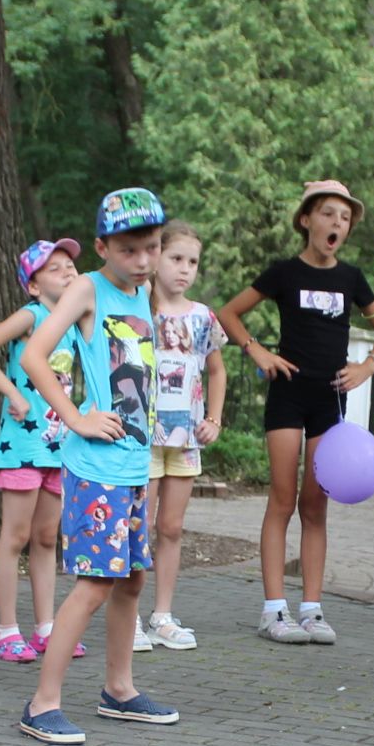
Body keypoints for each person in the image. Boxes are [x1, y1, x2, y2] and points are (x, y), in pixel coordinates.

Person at [14, 189, 180, 745]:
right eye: (129, 250)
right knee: (94, 584)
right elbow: (34, 355)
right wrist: (76, 417)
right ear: (103, 247)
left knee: (131, 579)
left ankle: (119, 690)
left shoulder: (144, 291)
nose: (143, 260)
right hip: (97, 468)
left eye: (152, 248)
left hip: (134, 467)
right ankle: (43, 704)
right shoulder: (87, 288)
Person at [217, 179, 374, 644]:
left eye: (345, 218)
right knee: (282, 498)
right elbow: (228, 313)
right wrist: (257, 352)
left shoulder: (352, 278)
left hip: (329, 400)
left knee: (315, 504)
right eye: (328, 213)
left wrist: (367, 367)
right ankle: (273, 610)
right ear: (306, 220)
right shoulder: (284, 272)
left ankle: (312, 610)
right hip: (288, 395)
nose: (338, 223)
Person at [0, 237, 81, 663]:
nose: (68, 272)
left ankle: (47, 628)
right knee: (15, 536)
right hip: (22, 446)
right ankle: (6, 630)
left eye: (70, 266)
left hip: (59, 446)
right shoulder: (31, 315)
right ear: (33, 285)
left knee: (47, 538)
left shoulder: (73, 323)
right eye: (55, 268)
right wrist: (12, 393)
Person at [141, 222, 226, 650]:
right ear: (156, 258)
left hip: (186, 440)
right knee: (138, 526)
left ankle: (162, 616)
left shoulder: (203, 316)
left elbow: (217, 370)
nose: (185, 269)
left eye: (192, 261)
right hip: (144, 438)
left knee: (171, 528)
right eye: (176, 258)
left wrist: (214, 418)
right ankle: (128, 618)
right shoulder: (139, 309)